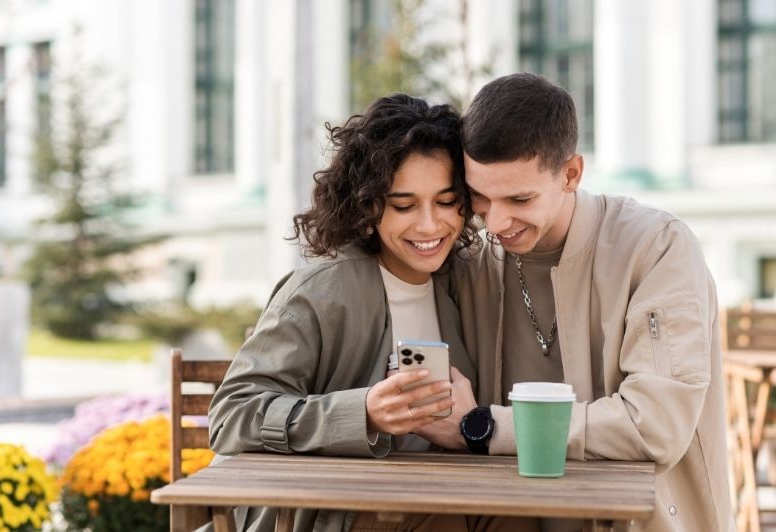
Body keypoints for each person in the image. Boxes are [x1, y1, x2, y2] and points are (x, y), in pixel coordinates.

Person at [418, 73, 733, 531]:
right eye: (480, 197)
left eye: (520, 197)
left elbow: (654, 426)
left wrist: (483, 427)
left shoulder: (658, 248)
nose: (497, 222)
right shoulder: (469, 260)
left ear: (571, 174)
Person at [208, 93, 482, 532]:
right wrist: (364, 414)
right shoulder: (321, 290)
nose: (430, 225)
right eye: (404, 206)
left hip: (444, 496)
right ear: (368, 207)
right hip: (332, 513)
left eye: (447, 201)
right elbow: (231, 416)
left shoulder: (466, 281)